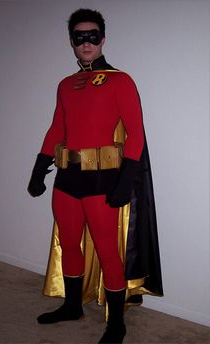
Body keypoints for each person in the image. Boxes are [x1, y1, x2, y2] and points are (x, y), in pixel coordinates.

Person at [28, 8, 163, 344]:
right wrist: (39, 168)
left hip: (102, 181)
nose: (85, 43)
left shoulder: (121, 80)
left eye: (92, 36)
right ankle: (72, 305)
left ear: (102, 39)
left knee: (107, 250)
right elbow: (57, 127)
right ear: (72, 42)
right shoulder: (65, 84)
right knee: (69, 243)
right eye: (79, 37)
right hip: (67, 181)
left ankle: (116, 323)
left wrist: (125, 181)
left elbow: (135, 134)